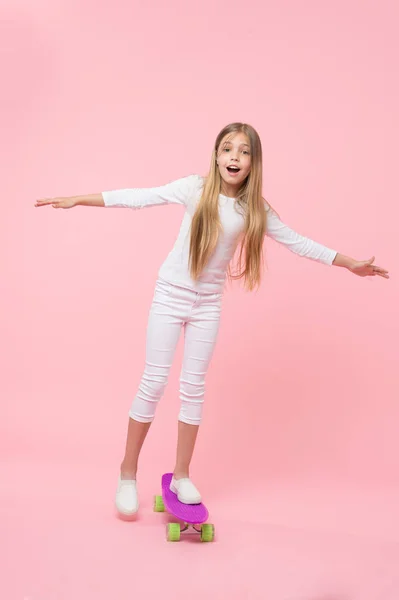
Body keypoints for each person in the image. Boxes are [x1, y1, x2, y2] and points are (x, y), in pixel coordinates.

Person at [35, 122, 389, 518]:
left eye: (243, 151)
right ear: (216, 156)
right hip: (170, 296)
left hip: (207, 305)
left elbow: (298, 241)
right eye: (227, 149)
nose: (234, 157)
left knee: (193, 388)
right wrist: (79, 200)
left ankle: (182, 474)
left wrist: (349, 264)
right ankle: (128, 474)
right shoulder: (195, 188)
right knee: (153, 382)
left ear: (254, 162)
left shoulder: (254, 209)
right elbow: (139, 197)